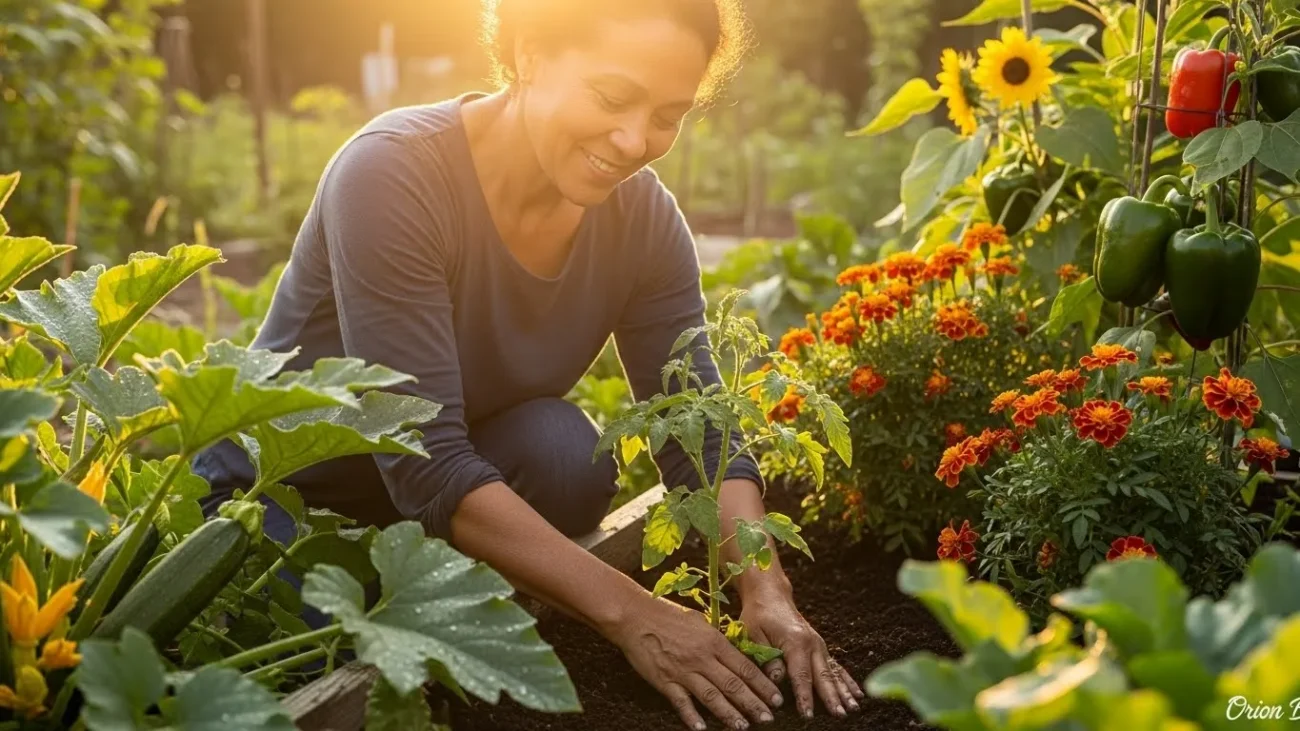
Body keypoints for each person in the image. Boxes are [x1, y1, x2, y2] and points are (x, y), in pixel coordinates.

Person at [192, 0, 862, 727]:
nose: (634, 139)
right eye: (612, 97)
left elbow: (696, 427)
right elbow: (426, 462)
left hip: (429, 501)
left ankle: (439, 583)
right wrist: (634, 614)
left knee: (566, 455)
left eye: (668, 115)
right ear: (530, 54)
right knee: (321, 647)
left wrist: (766, 589)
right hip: (280, 496)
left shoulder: (642, 221)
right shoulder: (392, 174)